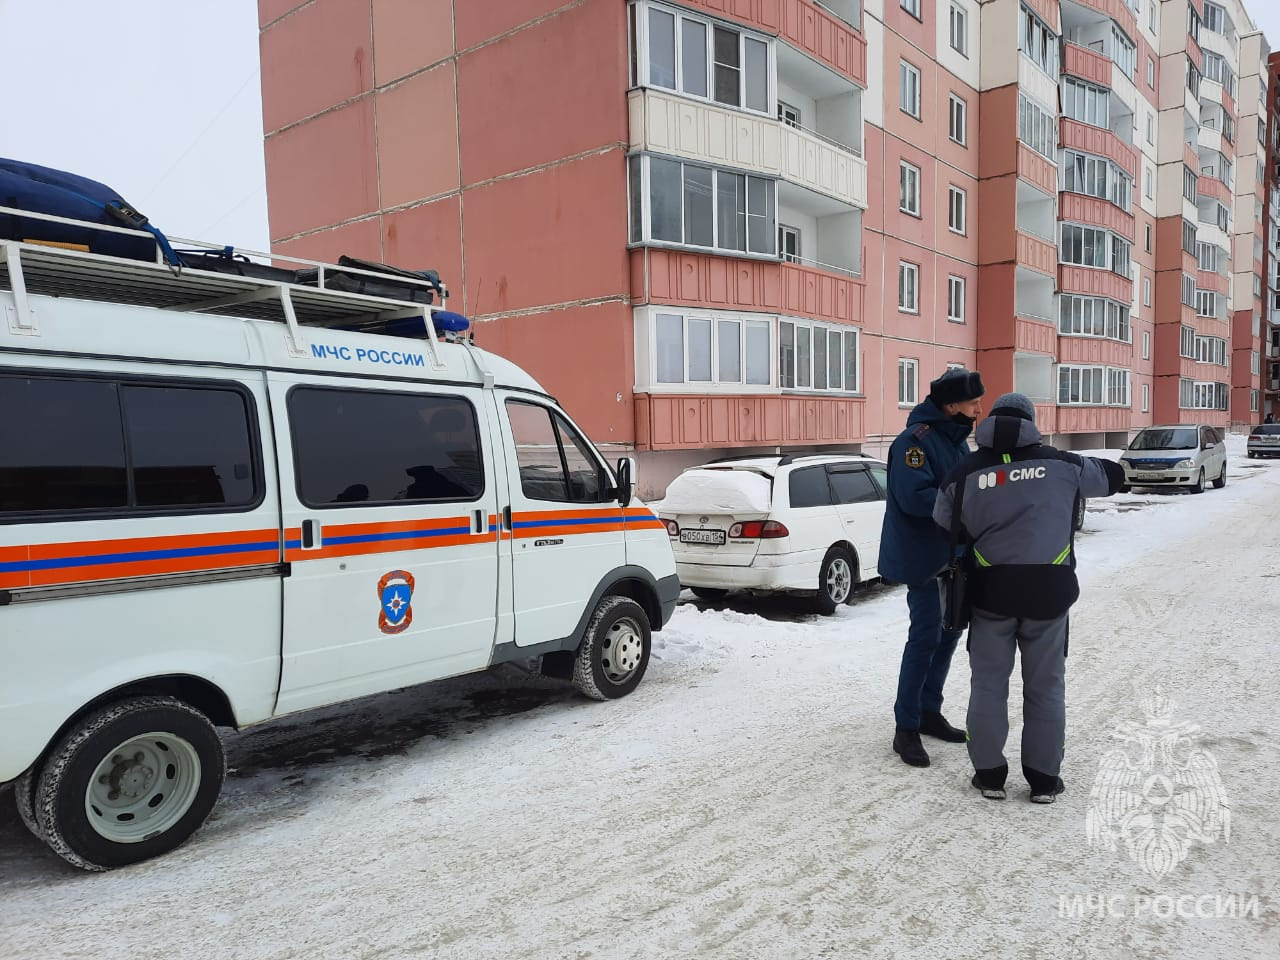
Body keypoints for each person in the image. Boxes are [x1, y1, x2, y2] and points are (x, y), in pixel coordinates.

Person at [933, 393, 1125, 803]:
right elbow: (1113, 477)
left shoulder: (965, 472)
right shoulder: (1063, 463)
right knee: (1046, 688)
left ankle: (988, 775)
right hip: (1048, 596)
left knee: (987, 686)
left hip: (989, 596)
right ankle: (1042, 780)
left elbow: (944, 520)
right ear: (1031, 423)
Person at [880, 367, 985, 768]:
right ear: (951, 404)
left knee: (949, 634)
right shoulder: (915, 442)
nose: (979, 408)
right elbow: (916, 498)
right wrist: (968, 509)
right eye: (973, 402)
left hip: (953, 555)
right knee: (925, 637)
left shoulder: (955, 441)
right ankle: (905, 726)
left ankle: (928, 711)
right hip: (923, 557)